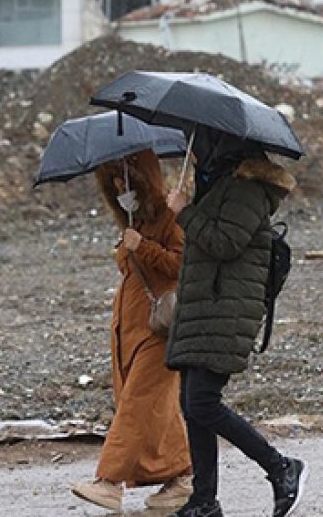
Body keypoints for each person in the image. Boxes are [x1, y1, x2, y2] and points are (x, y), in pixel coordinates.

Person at [164, 126, 307, 517]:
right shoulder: (218, 184)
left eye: (200, 145)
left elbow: (225, 243)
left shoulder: (246, 190)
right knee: (191, 404)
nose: (194, 154)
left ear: (221, 147)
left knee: (203, 401)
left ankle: (281, 467)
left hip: (227, 310)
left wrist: (184, 213)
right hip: (204, 309)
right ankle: (204, 500)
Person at [72, 149, 194, 512]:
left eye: (126, 179)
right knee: (153, 405)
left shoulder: (171, 218)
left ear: (145, 179)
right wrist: (130, 245)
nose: (120, 187)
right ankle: (181, 476)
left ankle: (109, 482)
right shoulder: (133, 221)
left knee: (138, 402)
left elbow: (180, 266)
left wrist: (144, 247)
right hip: (129, 329)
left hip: (158, 328)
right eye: (114, 182)